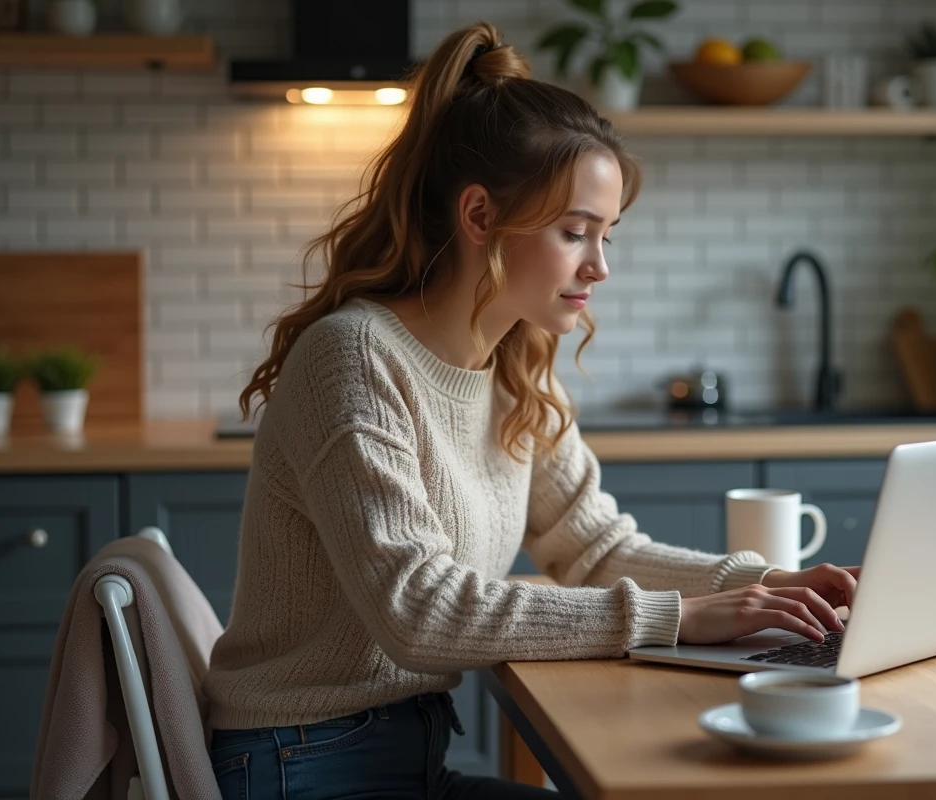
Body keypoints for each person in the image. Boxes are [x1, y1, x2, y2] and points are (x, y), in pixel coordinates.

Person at [203, 21, 860, 800]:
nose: (600, 265)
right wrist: (675, 616)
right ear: (480, 217)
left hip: (405, 754)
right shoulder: (353, 358)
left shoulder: (515, 367)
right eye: (575, 232)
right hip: (297, 765)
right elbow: (417, 610)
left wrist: (773, 591)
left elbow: (593, 546)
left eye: (607, 234)